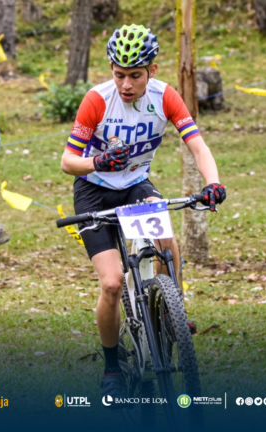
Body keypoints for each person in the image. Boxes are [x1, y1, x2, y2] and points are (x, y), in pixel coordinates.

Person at [59, 24, 227, 403]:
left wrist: (213, 182)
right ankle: (112, 365)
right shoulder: (97, 100)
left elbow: (197, 146)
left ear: (151, 70)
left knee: (167, 239)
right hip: (93, 192)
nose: (126, 84)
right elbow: (68, 162)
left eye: (135, 75)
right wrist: (98, 160)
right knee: (113, 283)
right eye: (119, 74)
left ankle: (173, 312)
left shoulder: (166, 96)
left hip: (135, 185)